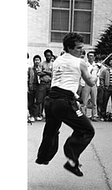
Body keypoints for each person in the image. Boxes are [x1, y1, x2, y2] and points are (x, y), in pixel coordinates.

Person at [35, 32, 97, 177]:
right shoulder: (80, 63)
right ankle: (71, 159)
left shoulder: (58, 60)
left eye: (82, 47)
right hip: (63, 102)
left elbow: (63, 81)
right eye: (78, 48)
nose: (82, 51)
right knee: (87, 130)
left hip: (51, 100)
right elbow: (91, 82)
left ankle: (43, 157)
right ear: (69, 48)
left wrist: (75, 96)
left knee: (51, 130)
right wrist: (95, 72)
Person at [81, 51, 100, 121]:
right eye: (89, 56)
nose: (90, 57)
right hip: (86, 83)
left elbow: (98, 75)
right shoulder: (85, 65)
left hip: (94, 84)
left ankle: (94, 115)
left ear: (94, 57)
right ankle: (83, 115)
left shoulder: (97, 66)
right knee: (84, 100)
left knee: (94, 101)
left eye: (92, 56)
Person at [36, 49, 54, 120]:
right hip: (43, 84)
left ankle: (48, 116)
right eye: (47, 56)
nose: (48, 57)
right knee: (40, 99)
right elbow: (39, 73)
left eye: (49, 55)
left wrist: (45, 71)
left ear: (51, 56)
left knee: (49, 101)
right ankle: (39, 115)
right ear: (45, 56)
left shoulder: (53, 64)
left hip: (50, 84)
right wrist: (48, 72)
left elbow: (53, 74)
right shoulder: (41, 64)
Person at [27, 55, 42, 122]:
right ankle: (31, 115)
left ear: (40, 61)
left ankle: (37, 115)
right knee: (31, 101)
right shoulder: (31, 69)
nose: (37, 61)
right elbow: (28, 78)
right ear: (33, 61)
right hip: (32, 86)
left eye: (38, 60)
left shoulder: (41, 68)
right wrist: (29, 86)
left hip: (39, 86)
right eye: (35, 60)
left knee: (38, 101)